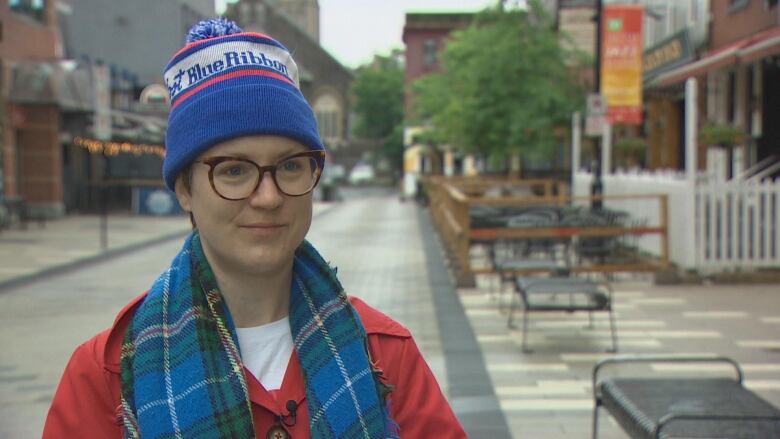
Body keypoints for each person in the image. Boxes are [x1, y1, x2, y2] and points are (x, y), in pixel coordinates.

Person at [43, 18, 465, 439]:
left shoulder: (384, 354)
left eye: (291, 166)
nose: (268, 197)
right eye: (234, 170)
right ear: (184, 189)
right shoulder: (109, 375)